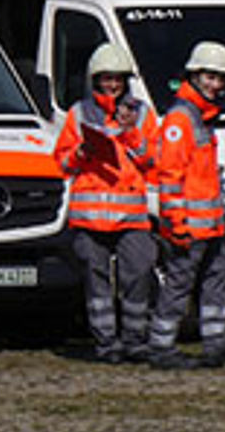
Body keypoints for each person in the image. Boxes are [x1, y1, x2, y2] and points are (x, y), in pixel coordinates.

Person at [54, 43, 159, 363]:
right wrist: (82, 152)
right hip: (89, 218)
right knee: (95, 281)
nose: (112, 85)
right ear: (94, 79)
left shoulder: (142, 114)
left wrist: (131, 135)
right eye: (106, 79)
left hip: (131, 217)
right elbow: (61, 162)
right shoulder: (78, 113)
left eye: (118, 79)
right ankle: (105, 343)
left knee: (139, 272)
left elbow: (152, 161)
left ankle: (135, 340)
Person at [148, 41, 225, 370]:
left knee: (217, 277)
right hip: (190, 226)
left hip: (210, 225)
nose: (215, 84)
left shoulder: (201, 117)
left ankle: (216, 343)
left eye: (220, 78)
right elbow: (170, 176)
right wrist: (176, 224)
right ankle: (161, 347)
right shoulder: (182, 119)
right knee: (179, 285)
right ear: (193, 75)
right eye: (209, 76)